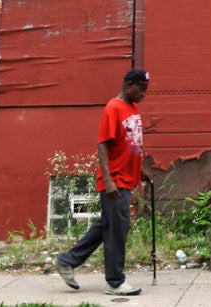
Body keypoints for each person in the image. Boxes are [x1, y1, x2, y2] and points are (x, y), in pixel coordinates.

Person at [55, 69, 150, 296]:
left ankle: (67, 261)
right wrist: (108, 180)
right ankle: (115, 282)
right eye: (141, 89)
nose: (144, 94)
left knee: (107, 226)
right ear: (128, 85)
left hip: (127, 177)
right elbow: (103, 145)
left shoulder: (133, 108)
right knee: (117, 231)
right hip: (115, 181)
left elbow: (131, 143)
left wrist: (141, 169)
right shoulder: (113, 108)